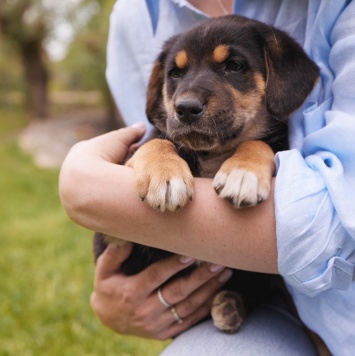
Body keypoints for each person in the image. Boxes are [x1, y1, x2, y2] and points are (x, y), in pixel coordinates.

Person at [59, 0, 355, 354]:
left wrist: (88, 191)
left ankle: (241, 298)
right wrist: (151, 155)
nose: (187, 98)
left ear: (278, 78)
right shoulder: (132, 18)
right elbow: (150, 143)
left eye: (233, 66)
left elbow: (335, 221)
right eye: (177, 74)